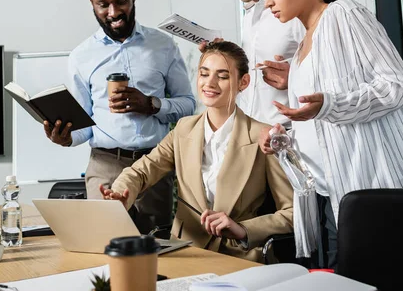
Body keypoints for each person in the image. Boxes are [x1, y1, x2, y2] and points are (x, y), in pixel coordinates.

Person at [258, 0, 403, 269]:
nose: (268, 3)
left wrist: (328, 104)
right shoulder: (303, 43)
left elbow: (397, 85)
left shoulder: (345, 15)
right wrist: (285, 137)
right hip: (325, 195)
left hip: (366, 192)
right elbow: (322, 121)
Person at [101, 41, 294, 263]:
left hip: (239, 257)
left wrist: (242, 229)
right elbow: (142, 172)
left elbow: (291, 213)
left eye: (222, 76)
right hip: (184, 253)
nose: (210, 83)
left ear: (244, 82)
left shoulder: (263, 136)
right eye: (204, 74)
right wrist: (120, 194)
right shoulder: (184, 129)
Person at [44, 0, 196, 236]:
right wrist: (66, 138)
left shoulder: (163, 45)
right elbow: (85, 126)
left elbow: (188, 105)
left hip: (153, 165)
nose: (113, 13)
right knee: (104, 246)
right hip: (105, 166)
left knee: (156, 248)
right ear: (92, 3)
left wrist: (152, 104)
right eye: (103, 4)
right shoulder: (81, 56)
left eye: (120, 1)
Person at [200, 0, 304, 128]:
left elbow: (333, 76)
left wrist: (295, 79)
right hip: (255, 137)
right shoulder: (250, 16)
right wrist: (224, 56)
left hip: (291, 137)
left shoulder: (294, 11)